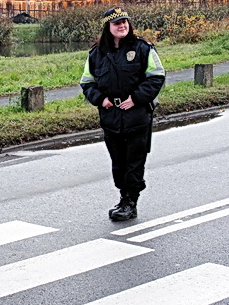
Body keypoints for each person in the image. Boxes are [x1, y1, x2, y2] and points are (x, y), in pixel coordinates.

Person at [80, 7, 165, 221]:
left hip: (137, 115)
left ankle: (131, 202)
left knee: (134, 162)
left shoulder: (142, 48)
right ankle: (123, 197)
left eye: (125, 21)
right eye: (117, 23)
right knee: (118, 163)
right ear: (108, 27)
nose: (122, 25)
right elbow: (87, 82)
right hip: (110, 117)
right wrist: (101, 99)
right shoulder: (96, 54)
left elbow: (156, 76)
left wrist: (136, 98)